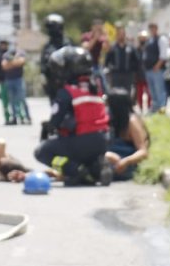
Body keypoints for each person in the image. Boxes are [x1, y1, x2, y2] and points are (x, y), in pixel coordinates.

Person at [34, 46, 112, 187]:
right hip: (102, 141)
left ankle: (75, 171)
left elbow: (55, 123)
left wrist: (47, 129)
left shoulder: (67, 92)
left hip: (81, 140)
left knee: (41, 152)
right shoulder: (96, 88)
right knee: (83, 152)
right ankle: (97, 168)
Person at [105, 88, 150, 181]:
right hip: (111, 159)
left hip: (126, 163)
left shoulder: (132, 122)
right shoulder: (112, 121)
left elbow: (143, 152)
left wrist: (125, 162)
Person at [39, 14, 70, 101]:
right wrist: (42, 75)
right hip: (52, 83)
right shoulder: (47, 46)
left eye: (51, 27)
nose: (50, 30)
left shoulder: (67, 44)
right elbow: (43, 63)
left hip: (66, 81)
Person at [105, 24, 140, 96]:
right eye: (119, 34)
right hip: (116, 75)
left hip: (128, 75)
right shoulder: (113, 48)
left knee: (127, 94)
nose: (121, 36)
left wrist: (132, 69)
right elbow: (107, 61)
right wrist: (111, 69)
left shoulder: (130, 47)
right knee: (116, 94)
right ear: (117, 35)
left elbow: (137, 60)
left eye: (123, 34)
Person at [1, 43, 31, 125]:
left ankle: (27, 117)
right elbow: (4, 66)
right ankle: (15, 118)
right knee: (12, 100)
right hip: (9, 80)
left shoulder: (21, 53)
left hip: (18, 80)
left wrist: (10, 62)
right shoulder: (6, 54)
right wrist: (14, 62)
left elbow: (21, 62)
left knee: (22, 99)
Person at [141, 23, 168, 114]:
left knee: (159, 89)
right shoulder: (149, 40)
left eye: (153, 28)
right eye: (150, 28)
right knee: (152, 90)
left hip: (157, 69)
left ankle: (162, 108)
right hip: (148, 69)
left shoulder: (161, 39)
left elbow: (163, 55)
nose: (152, 30)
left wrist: (158, 65)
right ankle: (155, 107)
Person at [0, 40, 14, 124]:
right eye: (2, 45)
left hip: (10, 79)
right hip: (2, 81)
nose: (3, 46)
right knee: (5, 102)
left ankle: (15, 117)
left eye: (5, 45)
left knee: (13, 100)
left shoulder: (10, 55)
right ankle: (7, 118)